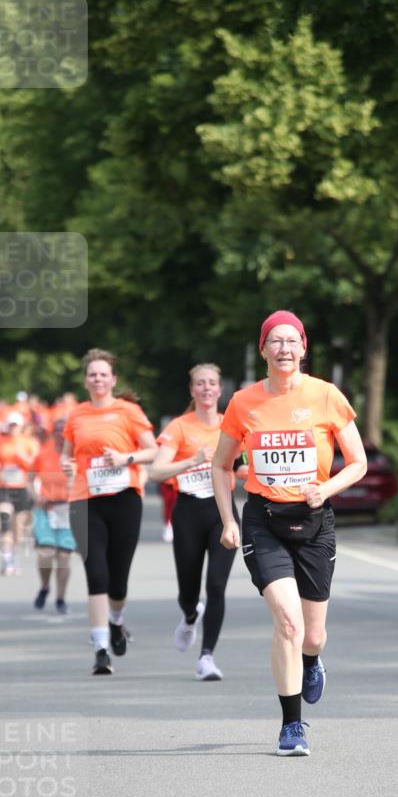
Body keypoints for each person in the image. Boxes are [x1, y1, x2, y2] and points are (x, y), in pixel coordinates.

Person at [212, 311, 367, 756]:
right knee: (288, 622)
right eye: (274, 341)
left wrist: (326, 488)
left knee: (312, 636)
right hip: (264, 520)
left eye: (291, 341)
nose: (283, 348)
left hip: (315, 520)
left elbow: (356, 462)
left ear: (303, 348)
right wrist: (229, 520)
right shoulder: (243, 402)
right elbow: (221, 466)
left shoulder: (326, 396)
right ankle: (291, 725)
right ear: (263, 350)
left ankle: (313, 662)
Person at [61, 349, 158, 674]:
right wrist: (66, 464)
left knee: (118, 581)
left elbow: (152, 450)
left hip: (124, 498)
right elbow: (67, 455)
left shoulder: (128, 411)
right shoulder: (76, 415)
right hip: (84, 500)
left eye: (103, 374)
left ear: (113, 380)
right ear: (86, 380)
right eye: (92, 374)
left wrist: (125, 459)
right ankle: (100, 647)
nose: (98, 379)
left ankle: (116, 621)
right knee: (96, 572)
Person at [154, 364, 238, 681]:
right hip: (188, 511)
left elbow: (242, 466)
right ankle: (190, 615)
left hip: (223, 513)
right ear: (192, 390)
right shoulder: (179, 427)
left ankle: (206, 657)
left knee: (216, 585)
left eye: (212, 383)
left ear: (220, 390)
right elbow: (156, 472)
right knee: (188, 591)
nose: (206, 388)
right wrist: (192, 460)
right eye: (199, 384)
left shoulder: (231, 425)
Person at [30, 418, 77, 614]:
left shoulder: (78, 456)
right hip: (46, 509)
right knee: (45, 553)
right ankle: (45, 586)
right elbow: (28, 480)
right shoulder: (44, 454)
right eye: (57, 430)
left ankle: (60, 598)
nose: (60, 434)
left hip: (69, 510)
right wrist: (35, 496)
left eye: (64, 431)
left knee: (64, 556)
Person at [0, 413, 36, 575]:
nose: (13, 429)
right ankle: (6, 559)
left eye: (15, 425)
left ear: (21, 427)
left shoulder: (29, 443)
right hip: (3, 488)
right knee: (5, 522)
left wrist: (23, 458)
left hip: (21, 488)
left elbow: (35, 465)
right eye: (11, 425)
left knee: (18, 528)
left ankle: (14, 557)